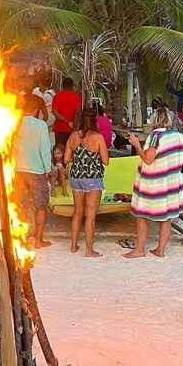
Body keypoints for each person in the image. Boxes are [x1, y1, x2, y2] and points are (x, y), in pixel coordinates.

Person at [126, 107, 183, 258]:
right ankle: (160, 251)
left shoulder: (156, 136)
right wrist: (173, 154)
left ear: (154, 120)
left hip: (154, 183)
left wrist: (136, 144)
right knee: (167, 217)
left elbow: (148, 159)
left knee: (141, 215)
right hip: (171, 183)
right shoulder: (177, 135)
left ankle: (139, 250)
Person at [65, 108, 110, 257]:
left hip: (76, 178)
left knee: (77, 213)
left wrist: (78, 158)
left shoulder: (73, 136)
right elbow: (106, 161)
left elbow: (66, 160)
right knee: (90, 216)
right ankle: (89, 250)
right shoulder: (98, 137)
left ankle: (73, 246)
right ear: (94, 121)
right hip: (92, 178)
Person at [15, 94, 53, 248]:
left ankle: (21, 239)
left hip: (17, 170)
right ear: (37, 110)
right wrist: (47, 168)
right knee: (40, 206)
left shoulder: (14, 124)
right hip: (37, 171)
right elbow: (44, 148)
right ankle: (38, 240)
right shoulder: (40, 125)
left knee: (20, 206)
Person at [52, 77, 82, 148]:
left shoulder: (57, 97)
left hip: (60, 128)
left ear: (62, 86)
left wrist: (67, 122)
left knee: (60, 150)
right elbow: (77, 113)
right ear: (72, 86)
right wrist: (74, 129)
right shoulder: (77, 97)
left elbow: (55, 112)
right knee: (71, 150)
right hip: (72, 129)